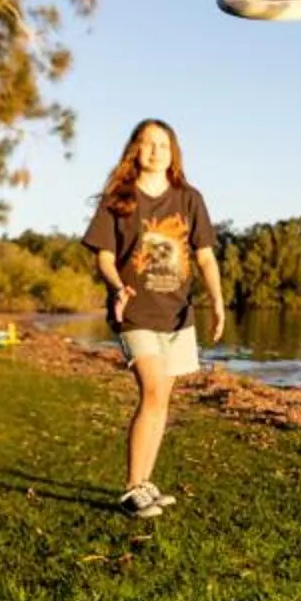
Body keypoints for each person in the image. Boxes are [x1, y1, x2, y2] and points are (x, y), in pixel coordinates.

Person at [83, 118, 224, 516]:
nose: (156, 151)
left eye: (163, 144)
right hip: (134, 311)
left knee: (162, 398)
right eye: (147, 144)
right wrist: (115, 286)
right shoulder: (119, 199)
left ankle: (144, 483)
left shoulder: (189, 198)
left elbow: (205, 256)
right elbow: (104, 256)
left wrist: (217, 301)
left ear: (173, 152)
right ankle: (132, 490)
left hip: (178, 315)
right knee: (152, 390)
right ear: (135, 151)